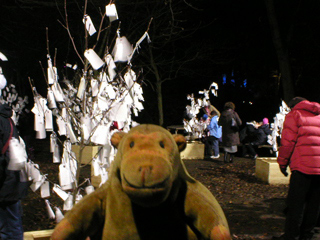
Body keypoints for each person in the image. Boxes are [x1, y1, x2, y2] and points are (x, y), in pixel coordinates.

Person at [273, 97, 320, 240]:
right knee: (314, 204)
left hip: (302, 167)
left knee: (296, 204)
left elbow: (288, 142)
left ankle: (291, 235)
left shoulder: (294, 115)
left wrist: (282, 162)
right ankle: (307, 235)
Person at [0, 103, 29, 240]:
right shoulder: (6, 118)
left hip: (5, 183)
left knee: (9, 228)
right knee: (11, 224)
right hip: (11, 179)